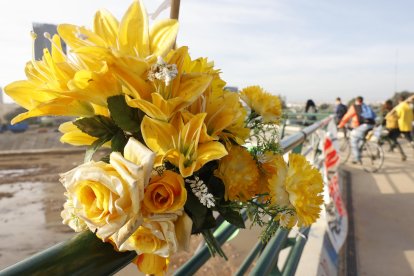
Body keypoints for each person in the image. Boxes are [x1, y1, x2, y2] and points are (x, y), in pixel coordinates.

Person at [338, 96, 376, 164]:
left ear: (356, 101)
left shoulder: (354, 107)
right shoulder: (365, 106)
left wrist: (340, 125)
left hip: (364, 125)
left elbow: (347, 116)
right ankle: (359, 154)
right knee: (360, 139)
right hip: (371, 125)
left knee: (353, 139)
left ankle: (357, 158)